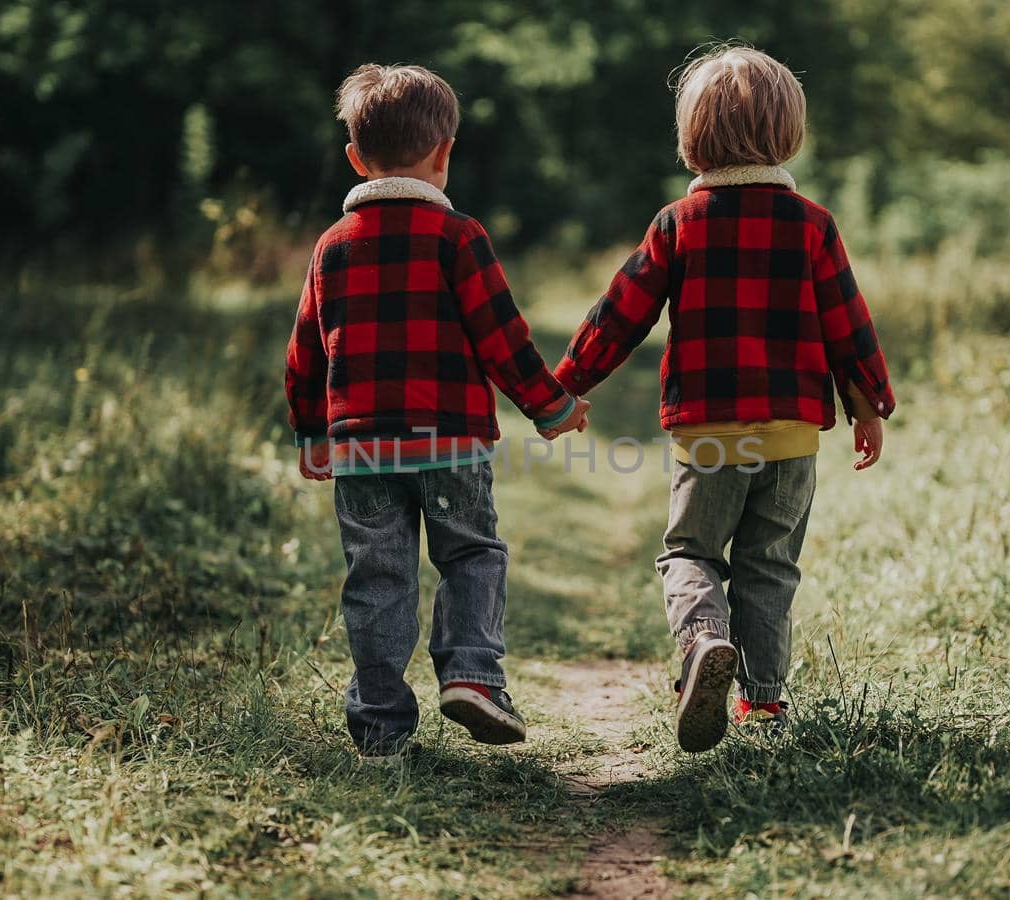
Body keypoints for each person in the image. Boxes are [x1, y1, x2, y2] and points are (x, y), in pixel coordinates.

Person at [553, 45, 895, 752]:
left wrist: (566, 387)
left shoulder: (678, 223)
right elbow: (847, 325)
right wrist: (867, 406)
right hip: (792, 432)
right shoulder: (813, 224)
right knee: (770, 564)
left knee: (692, 552)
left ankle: (705, 640)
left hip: (709, 430)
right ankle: (763, 705)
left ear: (693, 138)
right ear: (788, 133)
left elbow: (621, 313)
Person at [285, 63, 590, 764]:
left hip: (362, 449)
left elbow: (306, 348)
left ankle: (382, 729)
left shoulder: (332, 246)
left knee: (378, 579)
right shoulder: (458, 238)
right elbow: (503, 340)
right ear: (444, 154)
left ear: (356, 159)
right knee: (472, 554)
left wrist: (310, 430)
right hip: (449, 441)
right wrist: (552, 408)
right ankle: (472, 676)